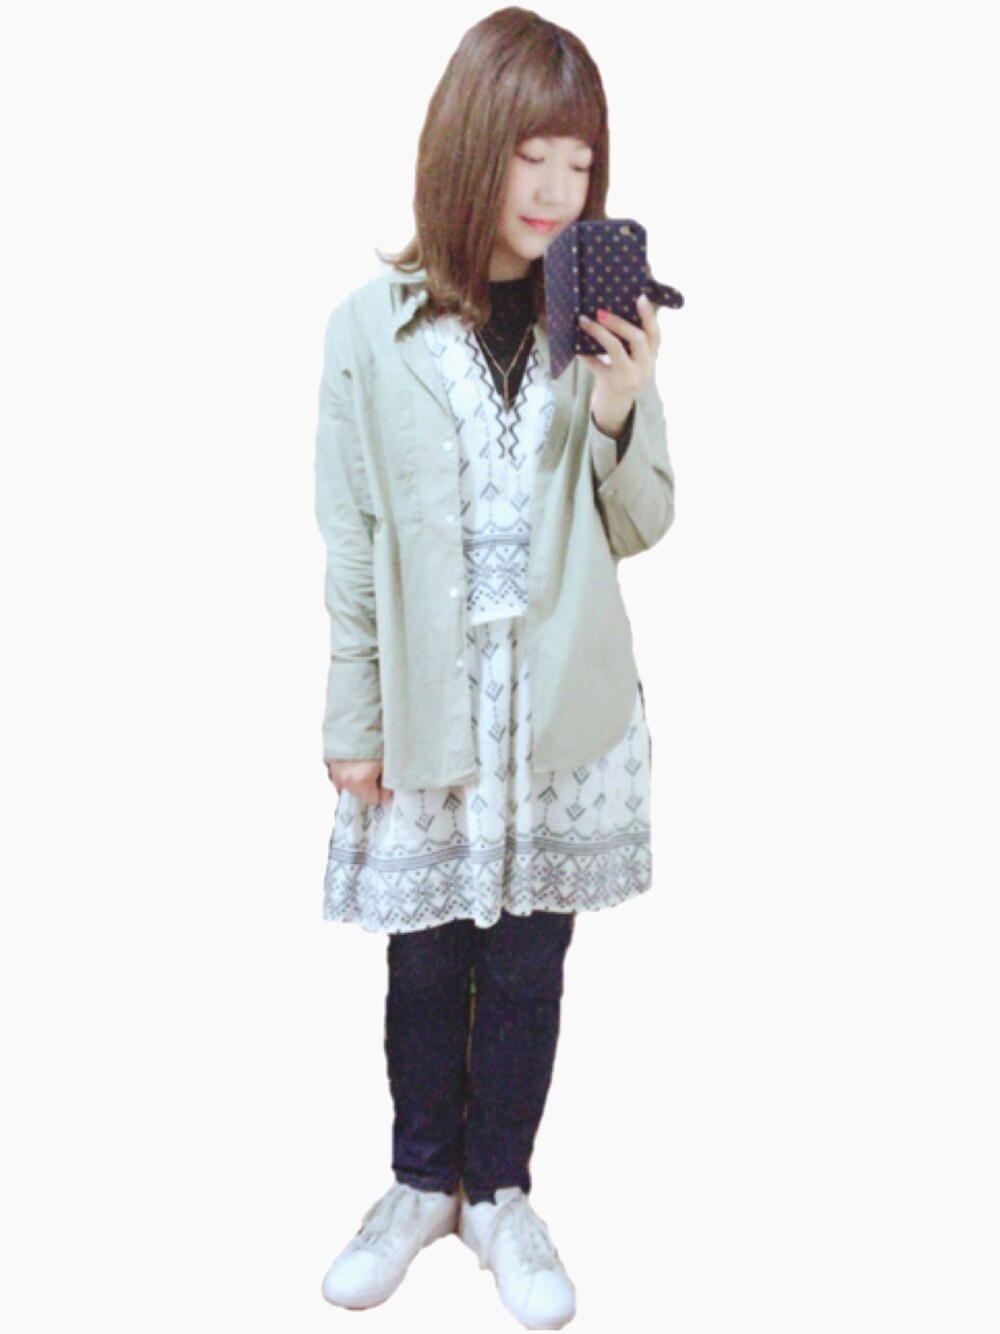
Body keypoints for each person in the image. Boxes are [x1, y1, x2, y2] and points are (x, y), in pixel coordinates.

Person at [314, 7, 677, 1328]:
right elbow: (351, 539)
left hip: (564, 711)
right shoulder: (370, 329)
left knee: (528, 963)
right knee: (424, 961)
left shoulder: (603, 324)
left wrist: (623, 409)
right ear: (472, 146)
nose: (557, 189)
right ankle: (421, 1184)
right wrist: (353, 717)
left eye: (580, 162)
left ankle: (503, 1193)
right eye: (533, 154)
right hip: (430, 704)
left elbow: (644, 522)